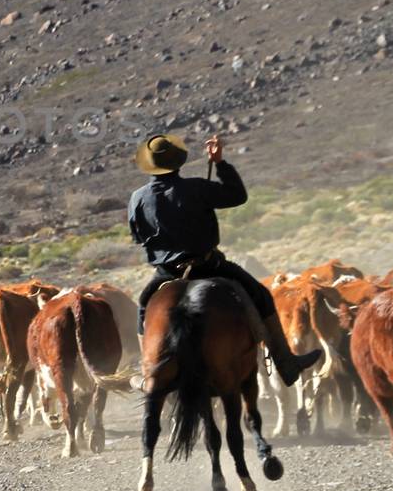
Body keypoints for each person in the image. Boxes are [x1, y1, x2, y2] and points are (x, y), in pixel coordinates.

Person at [128, 133, 321, 384]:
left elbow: (138, 235)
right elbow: (237, 196)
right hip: (208, 266)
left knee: (144, 308)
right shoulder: (197, 187)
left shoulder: (137, 199)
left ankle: (149, 373)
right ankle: (286, 363)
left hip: (167, 273)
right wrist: (220, 163)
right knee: (260, 294)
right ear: (178, 161)